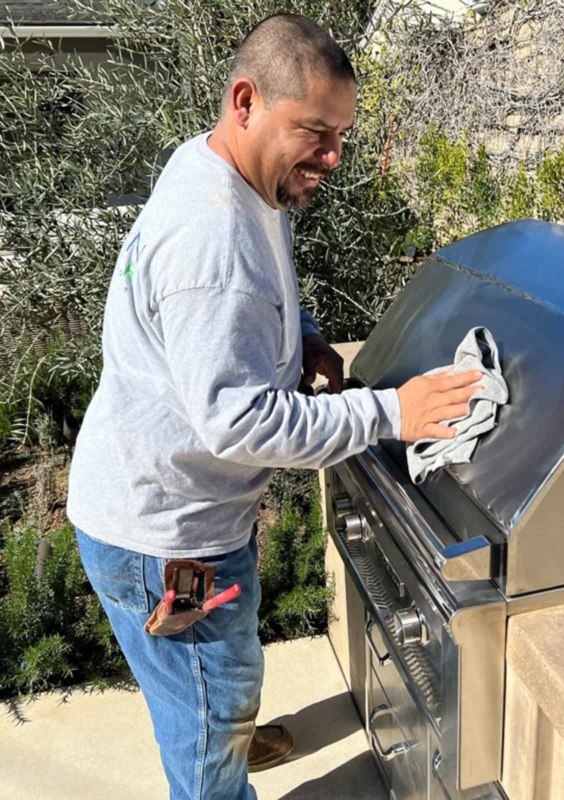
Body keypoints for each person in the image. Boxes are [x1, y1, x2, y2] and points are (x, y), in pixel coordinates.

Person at [66, 13, 480, 800]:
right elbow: (241, 419)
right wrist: (393, 413)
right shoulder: (213, 234)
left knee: (216, 678)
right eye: (317, 132)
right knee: (204, 707)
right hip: (167, 541)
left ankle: (221, 729)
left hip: (164, 507)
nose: (332, 157)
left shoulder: (220, 168)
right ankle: (216, 760)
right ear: (246, 100)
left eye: (342, 136)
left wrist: (305, 341)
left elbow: (240, 309)